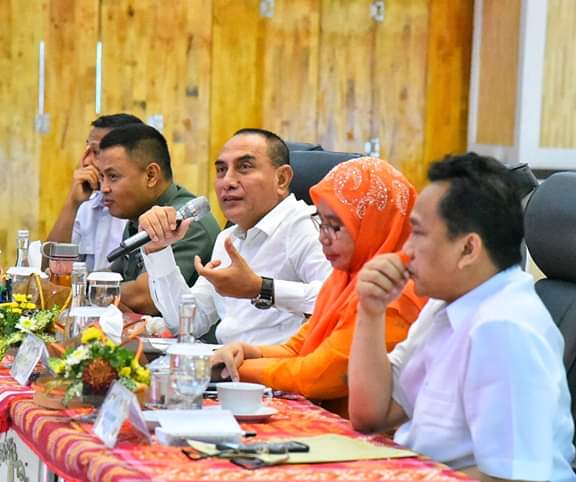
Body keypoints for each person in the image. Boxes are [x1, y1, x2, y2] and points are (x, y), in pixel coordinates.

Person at [349, 153, 575, 481]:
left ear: (468, 249)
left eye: (418, 233)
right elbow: (372, 414)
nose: (406, 251)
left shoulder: (505, 327)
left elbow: (514, 477)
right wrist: (371, 311)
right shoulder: (447, 304)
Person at [208, 156, 425, 413]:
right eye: (322, 223)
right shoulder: (342, 279)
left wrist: (233, 369)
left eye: (336, 227)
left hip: (369, 434)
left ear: (375, 227)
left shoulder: (395, 292)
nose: (323, 238)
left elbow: (318, 376)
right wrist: (247, 351)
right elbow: (297, 348)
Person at [138, 128, 332, 344]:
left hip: (282, 362)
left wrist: (261, 288)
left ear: (281, 179)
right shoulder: (228, 238)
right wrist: (159, 250)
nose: (227, 181)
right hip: (227, 361)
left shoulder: (308, 227)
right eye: (221, 170)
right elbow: (188, 323)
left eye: (244, 167)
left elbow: (338, 300)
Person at [95, 123, 221, 315]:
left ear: (151, 175)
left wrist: (88, 290)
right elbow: (114, 278)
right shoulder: (139, 217)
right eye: (101, 177)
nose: (103, 188)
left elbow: (146, 298)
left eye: (113, 177)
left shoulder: (185, 221)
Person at [47, 113, 143, 272]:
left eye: (96, 152)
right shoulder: (88, 204)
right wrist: (72, 203)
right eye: (87, 150)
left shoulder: (145, 208)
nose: (85, 161)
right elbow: (49, 269)